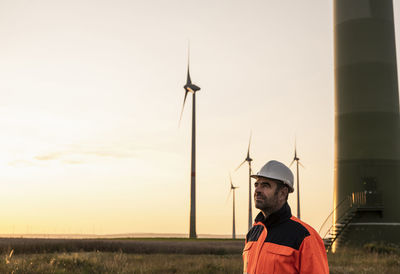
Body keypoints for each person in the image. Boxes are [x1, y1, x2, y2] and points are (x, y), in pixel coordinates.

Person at [242, 160, 329, 274]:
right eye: (256, 185)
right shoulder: (253, 233)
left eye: (265, 185)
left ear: (283, 193)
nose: (257, 190)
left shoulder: (305, 236)